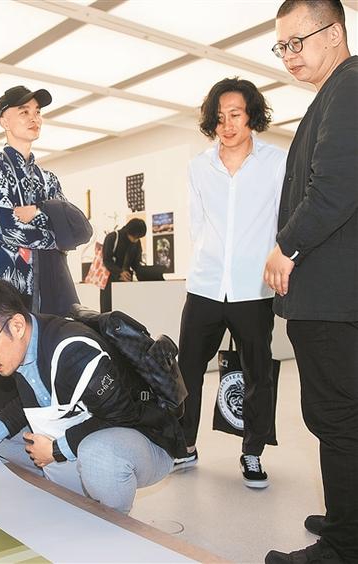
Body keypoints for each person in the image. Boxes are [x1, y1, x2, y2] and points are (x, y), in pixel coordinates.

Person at [0, 279, 186, 514]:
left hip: (145, 439)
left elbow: (122, 415)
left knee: (99, 455)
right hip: (83, 434)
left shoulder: (75, 352)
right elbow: (31, 402)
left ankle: (113, 522)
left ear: (17, 326)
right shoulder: (24, 344)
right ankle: (66, 492)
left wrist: (57, 449)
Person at [263, 1, 357, 562]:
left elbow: (335, 187)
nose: (289, 55)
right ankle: (347, 516)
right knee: (345, 416)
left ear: (336, 32)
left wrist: (285, 246)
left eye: (298, 41)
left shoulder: (349, 87)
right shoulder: (334, 93)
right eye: (282, 46)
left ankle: (344, 545)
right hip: (335, 294)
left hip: (331, 294)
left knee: (337, 418)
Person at [175, 77, 287, 489]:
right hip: (205, 285)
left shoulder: (276, 162)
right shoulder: (198, 166)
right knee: (187, 370)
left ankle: (252, 452)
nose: (227, 125)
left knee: (259, 374)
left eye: (235, 115)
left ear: (251, 115)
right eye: (219, 117)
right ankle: (185, 444)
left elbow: (283, 221)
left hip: (253, 288)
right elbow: (197, 224)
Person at [0, 84, 92, 418]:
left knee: (47, 362)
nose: (34, 118)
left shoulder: (48, 178)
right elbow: (5, 229)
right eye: (24, 111)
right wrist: (53, 231)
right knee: (2, 369)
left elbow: (77, 230)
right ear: (4, 120)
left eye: (37, 112)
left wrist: (39, 210)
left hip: (48, 285)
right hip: (8, 287)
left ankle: (45, 432)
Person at [100, 218, 147, 312]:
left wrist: (145, 273)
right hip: (109, 282)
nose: (136, 240)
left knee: (126, 310)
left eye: (138, 237)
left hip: (126, 283)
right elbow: (107, 260)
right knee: (108, 311)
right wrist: (120, 272)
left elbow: (136, 263)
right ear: (129, 231)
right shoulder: (112, 237)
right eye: (135, 237)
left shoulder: (136, 242)